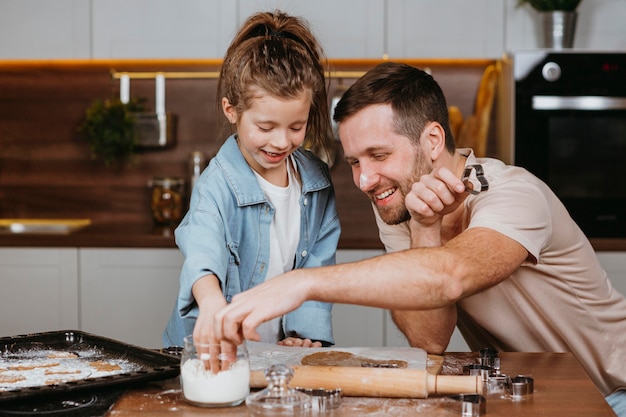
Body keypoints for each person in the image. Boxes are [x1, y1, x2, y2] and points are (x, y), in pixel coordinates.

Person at [212, 62, 626, 415]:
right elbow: (429, 340)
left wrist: (300, 283)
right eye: (355, 162)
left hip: (614, 394)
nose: (364, 180)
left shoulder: (512, 194)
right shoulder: (400, 203)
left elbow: (449, 276)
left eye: (379, 155)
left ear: (431, 141)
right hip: (542, 393)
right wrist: (424, 227)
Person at [162, 10, 340, 350]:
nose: (281, 142)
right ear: (232, 111)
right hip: (211, 350)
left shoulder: (317, 182)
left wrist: (304, 336)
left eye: (296, 126)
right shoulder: (217, 184)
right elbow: (202, 251)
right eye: (265, 127)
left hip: (277, 353)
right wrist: (213, 305)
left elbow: (316, 270)